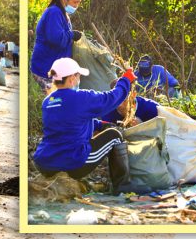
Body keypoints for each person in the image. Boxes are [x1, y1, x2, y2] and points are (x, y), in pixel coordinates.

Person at [32, 57, 148, 194]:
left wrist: (100, 124)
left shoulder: (48, 102)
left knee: (106, 131)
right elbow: (111, 98)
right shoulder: (81, 97)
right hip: (73, 163)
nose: (79, 79)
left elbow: (69, 122)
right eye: (78, 76)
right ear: (71, 79)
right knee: (115, 135)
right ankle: (123, 186)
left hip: (44, 163)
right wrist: (126, 80)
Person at [30, 0, 85, 93]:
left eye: (78, 3)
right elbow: (56, 39)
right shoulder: (54, 12)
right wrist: (72, 35)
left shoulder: (62, 13)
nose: (76, 6)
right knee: (53, 102)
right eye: (74, 2)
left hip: (56, 70)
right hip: (45, 68)